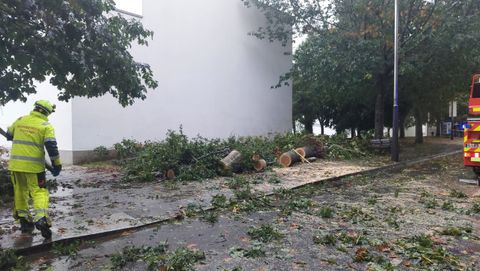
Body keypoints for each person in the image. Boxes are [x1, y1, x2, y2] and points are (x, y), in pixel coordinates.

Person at [6, 100, 62, 239]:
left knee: (20, 191)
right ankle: (41, 218)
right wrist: (57, 164)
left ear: (35, 108)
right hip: (34, 168)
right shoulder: (46, 126)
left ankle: (24, 221)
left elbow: (8, 133)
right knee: (39, 192)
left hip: (16, 166)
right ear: (47, 112)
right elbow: (52, 147)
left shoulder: (20, 120)